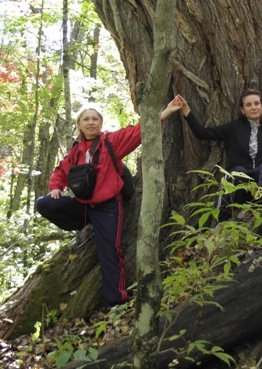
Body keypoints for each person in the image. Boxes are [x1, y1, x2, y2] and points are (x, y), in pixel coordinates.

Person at [35, 100, 182, 307]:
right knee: (44, 204)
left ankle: (116, 302)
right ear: (79, 124)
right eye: (86, 119)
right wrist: (56, 187)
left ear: (101, 122)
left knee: (110, 252)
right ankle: (84, 226)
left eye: (95, 119)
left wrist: (166, 111)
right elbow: (60, 170)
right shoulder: (76, 150)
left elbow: (138, 131)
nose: (91, 122)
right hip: (83, 205)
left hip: (107, 207)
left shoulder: (111, 141)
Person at [175, 50, 262, 219]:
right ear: (242, 110)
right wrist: (186, 110)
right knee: (237, 173)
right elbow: (202, 133)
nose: (253, 107)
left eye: (256, 103)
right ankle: (220, 224)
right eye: (248, 105)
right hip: (239, 181)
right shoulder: (233, 128)